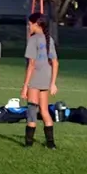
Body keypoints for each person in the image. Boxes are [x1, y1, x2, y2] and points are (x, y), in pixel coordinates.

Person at [21, 11, 59, 150]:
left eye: (30, 24)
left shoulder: (33, 39)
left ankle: (28, 143)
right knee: (44, 110)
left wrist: (25, 86)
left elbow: (31, 64)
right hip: (46, 77)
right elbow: (55, 63)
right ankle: (50, 143)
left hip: (35, 78)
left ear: (36, 24)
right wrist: (52, 83)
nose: (29, 27)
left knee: (32, 109)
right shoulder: (49, 39)